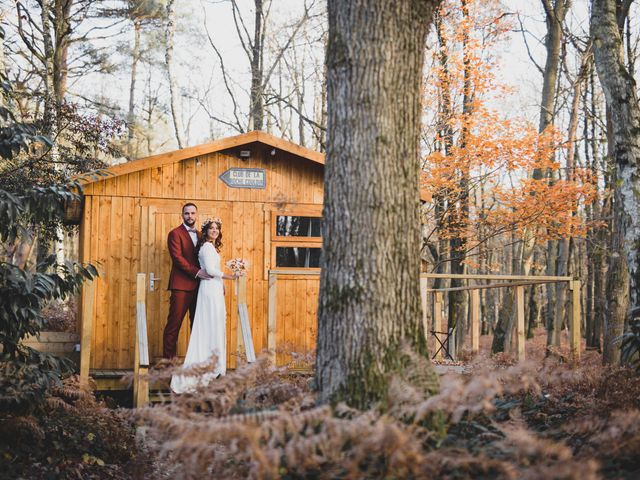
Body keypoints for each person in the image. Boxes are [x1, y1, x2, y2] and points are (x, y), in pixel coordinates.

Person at [171, 218, 237, 394]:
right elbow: (210, 270)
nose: (214, 231)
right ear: (206, 231)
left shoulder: (211, 247)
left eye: (217, 228)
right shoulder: (207, 247)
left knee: (215, 325)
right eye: (211, 228)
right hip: (208, 289)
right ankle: (207, 367)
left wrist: (221, 283)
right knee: (210, 326)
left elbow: (214, 270)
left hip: (214, 287)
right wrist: (230, 277)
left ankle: (214, 366)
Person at [163, 203, 213, 359]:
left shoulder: (200, 235)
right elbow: (177, 259)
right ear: (182, 215)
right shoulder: (175, 234)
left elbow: (206, 261)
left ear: (197, 215)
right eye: (187, 213)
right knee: (174, 325)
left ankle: (195, 362)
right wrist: (197, 272)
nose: (190, 216)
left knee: (197, 326)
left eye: (192, 213)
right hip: (181, 286)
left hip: (200, 287)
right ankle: (168, 365)